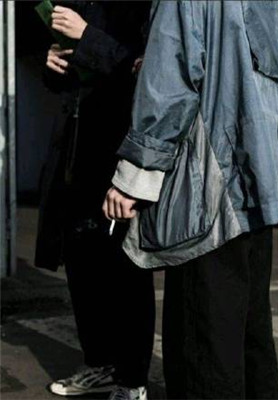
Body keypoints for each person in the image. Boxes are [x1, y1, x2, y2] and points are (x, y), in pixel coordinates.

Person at [104, 1, 278, 399]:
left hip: (210, 186)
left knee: (203, 345)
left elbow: (170, 80)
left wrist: (136, 174)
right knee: (250, 339)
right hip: (257, 180)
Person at [34, 2, 153, 399]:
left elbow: (146, 71)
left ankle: (132, 380)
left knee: (125, 269)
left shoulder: (139, 7)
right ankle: (100, 363)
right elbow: (71, 85)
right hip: (75, 154)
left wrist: (87, 36)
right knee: (81, 264)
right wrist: (53, 63)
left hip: (118, 153)